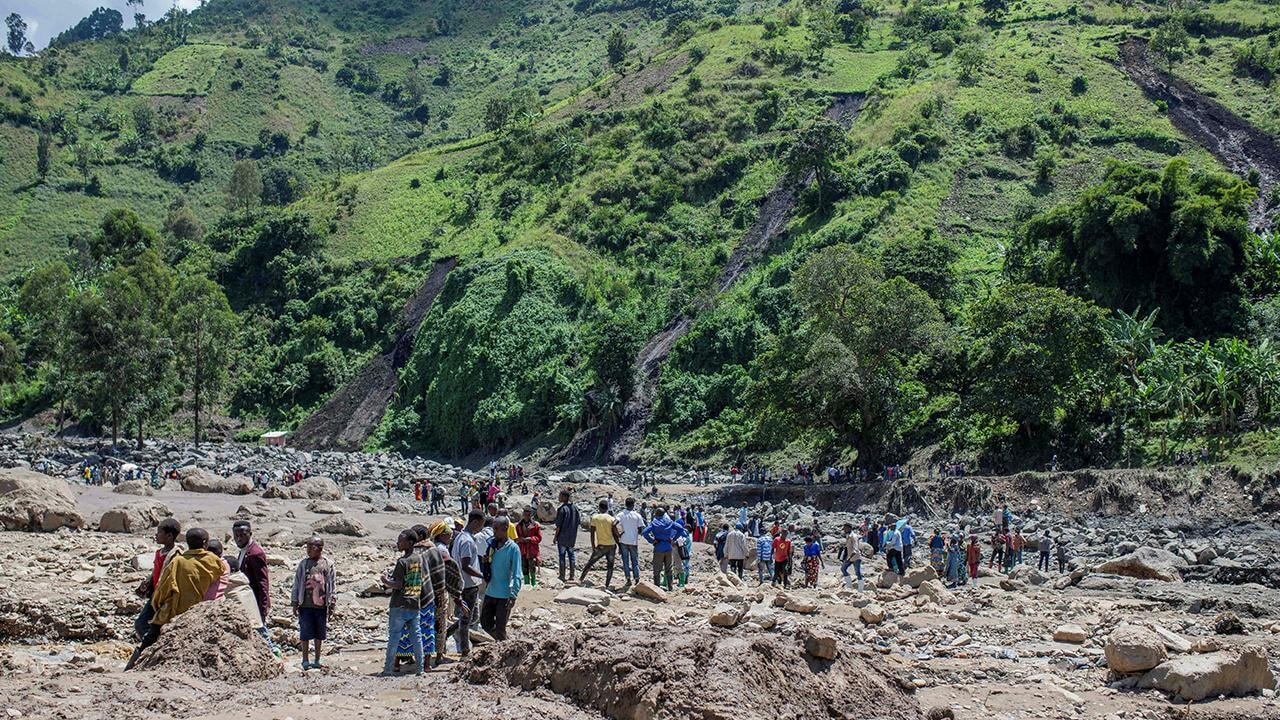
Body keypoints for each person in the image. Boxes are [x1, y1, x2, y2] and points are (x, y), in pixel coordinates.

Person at [125, 528, 224, 670]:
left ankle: (132, 668)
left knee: (149, 639)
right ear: (205, 544)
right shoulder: (213, 561)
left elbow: (163, 588)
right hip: (197, 611)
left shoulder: (178, 561)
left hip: (173, 610)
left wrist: (157, 604)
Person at [382, 530, 425, 676]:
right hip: (414, 603)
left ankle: (387, 669)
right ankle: (420, 669)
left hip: (399, 604)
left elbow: (398, 584)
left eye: (401, 541)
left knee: (394, 637)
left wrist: (385, 581)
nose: (398, 543)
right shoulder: (419, 559)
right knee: (416, 638)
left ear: (410, 543)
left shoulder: (402, 562)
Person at [134, 518, 182, 642]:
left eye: (159, 532)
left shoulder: (175, 555)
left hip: (164, 598)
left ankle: (152, 645)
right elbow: (157, 571)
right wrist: (148, 581)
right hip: (155, 595)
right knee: (145, 623)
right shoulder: (159, 552)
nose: (156, 535)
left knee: (142, 624)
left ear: (170, 536)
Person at [291, 536, 336, 670]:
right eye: (308, 547)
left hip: (321, 606)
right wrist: (294, 602)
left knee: (319, 633)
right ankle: (305, 659)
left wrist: (332, 603)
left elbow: (332, 584)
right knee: (305, 633)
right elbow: (297, 583)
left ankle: (317, 658)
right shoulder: (303, 564)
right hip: (305, 605)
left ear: (318, 548)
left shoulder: (328, 564)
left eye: (310, 547)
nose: (308, 550)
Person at [449, 511, 484, 658]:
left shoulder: (461, 537)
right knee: (466, 618)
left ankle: (446, 634)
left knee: (470, 617)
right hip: (467, 584)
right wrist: (483, 575)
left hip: (464, 583)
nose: (481, 528)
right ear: (475, 522)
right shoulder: (467, 541)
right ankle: (464, 650)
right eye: (481, 525)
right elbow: (465, 565)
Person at [481, 518, 522, 641]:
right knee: (485, 623)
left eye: (496, 529)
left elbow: (517, 573)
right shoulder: (492, 545)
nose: (493, 532)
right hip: (490, 591)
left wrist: (513, 595)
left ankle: (503, 647)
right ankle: (502, 642)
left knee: (500, 627)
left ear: (505, 529)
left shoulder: (513, 548)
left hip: (504, 595)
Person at [232, 521, 271, 634]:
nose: (239, 539)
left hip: (255, 602)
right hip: (246, 601)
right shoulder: (244, 551)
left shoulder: (255, 553)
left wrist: (263, 607)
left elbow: (263, 582)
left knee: (260, 632)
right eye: (236, 536)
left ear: (250, 534)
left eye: (242, 535)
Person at [641, 506, 686, 590]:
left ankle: (656, 588)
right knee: (669, 568)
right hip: (668, 547)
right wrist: (674, 538)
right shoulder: (669, 521)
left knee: (657, 569)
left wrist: (652, 540)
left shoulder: (654, 523)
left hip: (658, 548)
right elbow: (680, 529)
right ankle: (670, 587)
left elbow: (644, 532)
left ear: (656, 514)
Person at [580, 500, 619, 587]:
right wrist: (619, 545)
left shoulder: (595, 518)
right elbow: (615, 534)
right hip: (611, 545)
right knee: (610, 566)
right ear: (607, 508)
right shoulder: (612, 519)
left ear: (599, 507)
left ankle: (581, 579)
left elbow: (592, 533)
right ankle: (607, 585)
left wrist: (593, 545)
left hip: (601, 545)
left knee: (590, 563)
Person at [552, 490, 581, 582]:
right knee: (571, 556)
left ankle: (562, 575)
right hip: (572, 536)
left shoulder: (562, 509)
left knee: (562, 556)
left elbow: (558, 526)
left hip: (563, 537)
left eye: (560, 496)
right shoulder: (575, 508)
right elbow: (578, 522)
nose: (559, 497)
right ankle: (572, 575)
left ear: (564, 497)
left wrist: (555, 537)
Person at [617, 498, 645, 586]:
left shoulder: (621, 514)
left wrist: (618, 534)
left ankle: (628, 579)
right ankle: (636, 579)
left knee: (625, 561)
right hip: (633, 541)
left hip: (623, 540)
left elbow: (614, 523)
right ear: (633, 505)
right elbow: (641, 529)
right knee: (635, 561)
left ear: (625, 504)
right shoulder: (637, 515)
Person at [516, 507, 542, 587]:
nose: (526, 516)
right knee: (524, 565)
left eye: (528, 514)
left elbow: (539, 538)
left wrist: (531, 539)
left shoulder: (535, 525)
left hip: (531, 549)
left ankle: (533, 582)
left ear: (531, 515)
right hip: (522, 549)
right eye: (525, 514)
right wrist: (520, 539)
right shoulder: (519, 525)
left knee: (532, 566)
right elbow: (516, 537)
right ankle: (527, 582)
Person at [840, 523, 863, 590]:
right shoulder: (848, 536)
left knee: (857, 573)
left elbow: (855, 549)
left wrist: (849, 558)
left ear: (849, 528)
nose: (844, 530)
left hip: (855, 557)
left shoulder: (854, 536)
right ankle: (849, 585)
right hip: (850, 557)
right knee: (843, 569)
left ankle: (860, 589)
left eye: (845, 528)